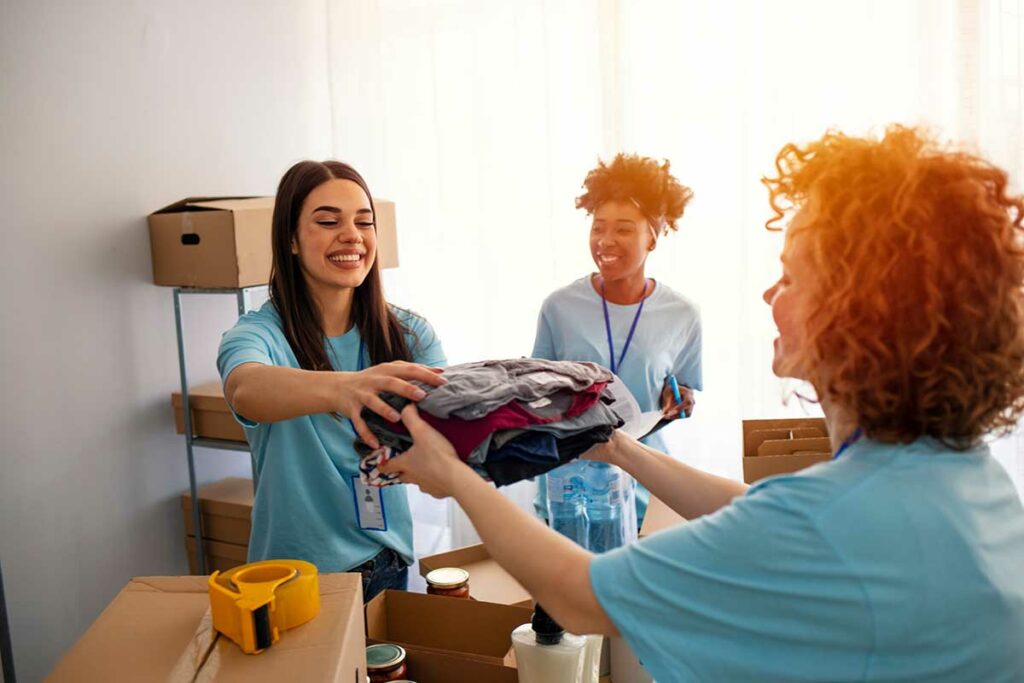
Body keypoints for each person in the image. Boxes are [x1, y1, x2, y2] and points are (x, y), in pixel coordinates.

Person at [381, 126, 1024, 681]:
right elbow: (764, 514)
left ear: (862, 311)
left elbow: (580, 597)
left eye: (793, 275)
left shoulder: (833, 519)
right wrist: (619, 447)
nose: (770, 293)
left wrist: (457, 478)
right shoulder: (963, 476)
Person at [217, 160, 446, 601]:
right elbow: (246, 390)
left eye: (364, 222)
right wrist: (346, 389)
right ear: (291, 240)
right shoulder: (257, 334)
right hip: (297, 579)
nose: (352, 236)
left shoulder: (411, 335)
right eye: (327, 221)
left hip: (388, 564)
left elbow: (441, 434)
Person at [532, 153, 702, 528]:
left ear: (653, 236)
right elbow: (534, 392)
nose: (606, 240)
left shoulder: (682, 314)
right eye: (598, 227)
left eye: (624, 229)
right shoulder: (559, 307)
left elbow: (686, 392)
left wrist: (682, 399)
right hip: (571, 488)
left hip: (646, 488)